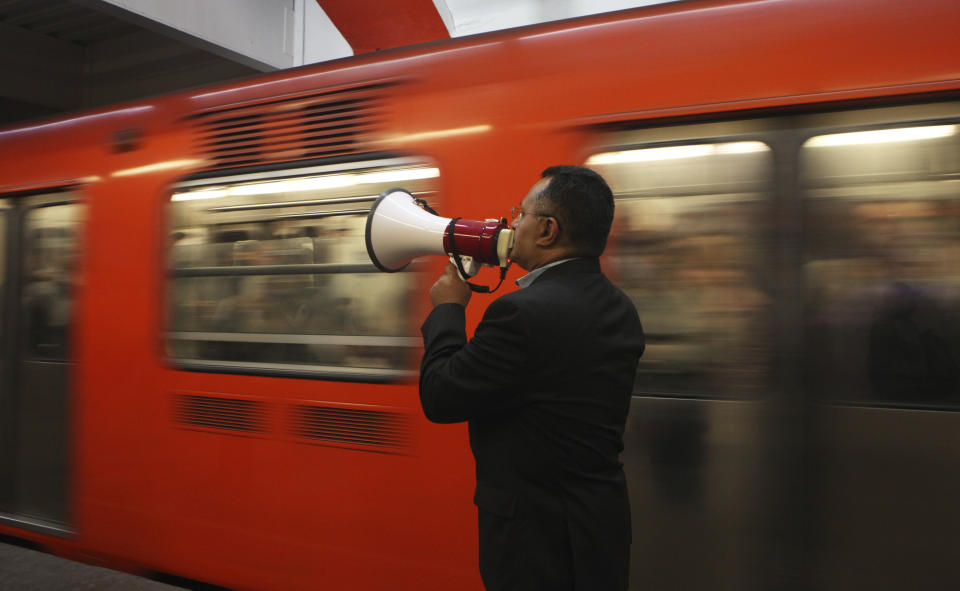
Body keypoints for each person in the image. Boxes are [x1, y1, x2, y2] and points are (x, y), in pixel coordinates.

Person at [419, 165, 645, 590]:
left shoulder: (520, 314)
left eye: (520, 214)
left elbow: (440, 395)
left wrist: (448, 308)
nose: (512, 223)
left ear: (547, 230)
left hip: (536, 547)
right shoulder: (621, 308)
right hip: (599, 533)